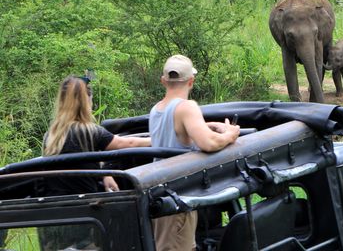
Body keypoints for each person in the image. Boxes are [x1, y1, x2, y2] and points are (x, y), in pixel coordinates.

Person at [40, 75, 151, 250]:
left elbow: (78, 159)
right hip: (83, 212)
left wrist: (104, 174)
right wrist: (156, 139)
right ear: (85, 102)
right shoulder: (87, 131)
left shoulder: (52, 134)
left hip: (56, 212)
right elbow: (126, 144)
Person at [150, 55, 240, 251]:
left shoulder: (156, 109)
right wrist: (231, 134)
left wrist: (204, 126)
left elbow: (177, 134)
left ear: (163, 81)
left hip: (160, 195)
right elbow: (208, 143)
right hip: (178, 198)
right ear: (191, 81)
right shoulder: (187, 107)